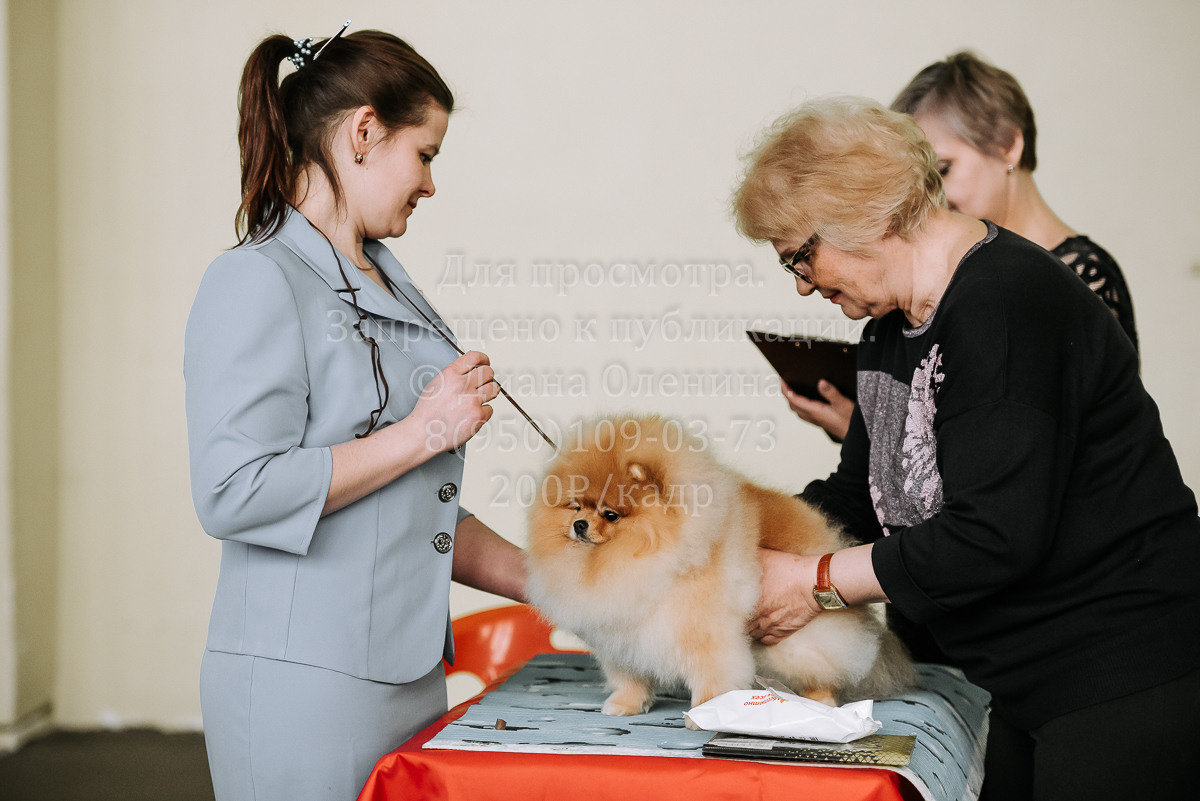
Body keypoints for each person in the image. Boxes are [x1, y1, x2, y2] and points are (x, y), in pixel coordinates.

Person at [732, 97, 1200, 801]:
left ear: (867, 210)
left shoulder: (1008, 300)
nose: (803, 284)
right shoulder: (886, 331)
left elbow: (992, 534)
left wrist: (811, 579)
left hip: (1120, 672)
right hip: (1015, 682)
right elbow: (857, 498)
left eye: (803, 255)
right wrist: (740, 545)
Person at [183, 26, 527, 801]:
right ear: (364, 132)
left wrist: (558, 584)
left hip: (405, 675)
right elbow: (232, 490)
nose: (431, 183)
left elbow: (409, 503)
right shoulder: (255, 279)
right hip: (299, 687)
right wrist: (424, 430)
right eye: (426, 154)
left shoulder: (391, 282)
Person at [785, 51, 1138, 442]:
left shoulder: (1084, 274)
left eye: (944, 169)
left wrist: (870, 439)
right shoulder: (950, 281)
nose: (929, 194)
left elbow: (1038, 447)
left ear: (1008, 145)